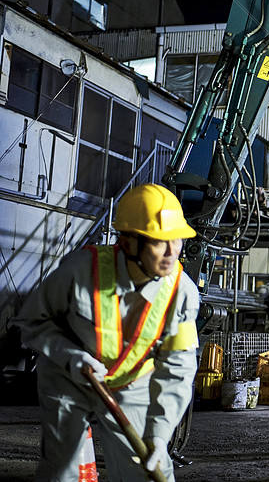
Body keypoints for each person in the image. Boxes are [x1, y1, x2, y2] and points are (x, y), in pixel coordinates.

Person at [14, 183, 200, 482]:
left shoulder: (182, 293)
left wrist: (160, 435)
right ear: (128, 244)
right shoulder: (80, 270)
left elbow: (177, 369)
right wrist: (70, 357)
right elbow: (31, 322)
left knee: (149, 470)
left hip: (131, 382)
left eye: (176, 240)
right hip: (68, 378)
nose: (171, 252)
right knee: (62, 472)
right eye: (159, 242)